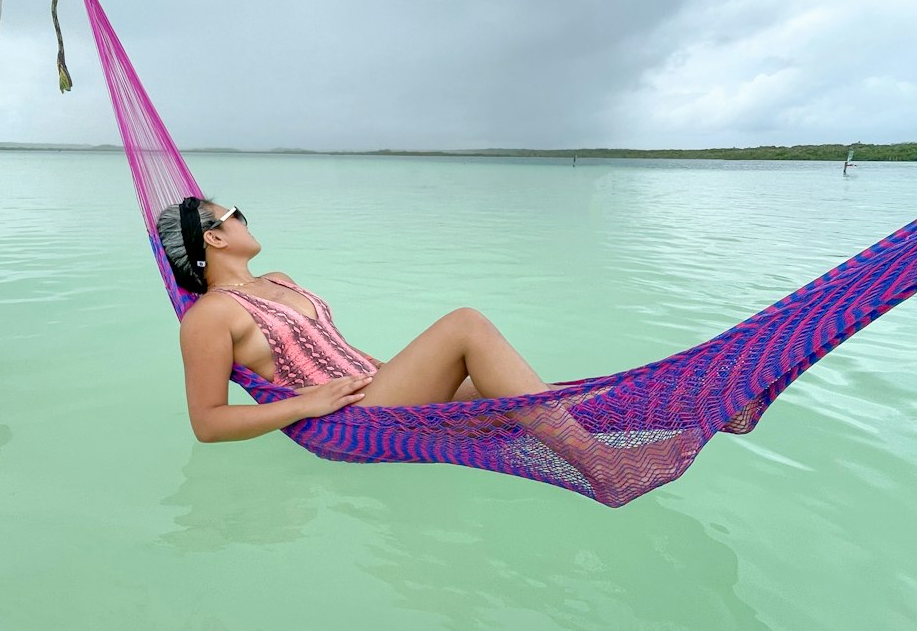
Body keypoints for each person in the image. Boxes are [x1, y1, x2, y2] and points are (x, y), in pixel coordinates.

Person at [156, 198, 700, 507]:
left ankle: (703, 408)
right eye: (232, 213)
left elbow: (337, 348)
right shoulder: (209, 317)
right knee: (467, 326)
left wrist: (404, 370)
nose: (243, 218)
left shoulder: (280, 280)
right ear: (215, 239)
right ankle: (604, 468)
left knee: (534, 395)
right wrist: (305, 405)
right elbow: (207, 422)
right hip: (344, 423)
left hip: (378, 388)